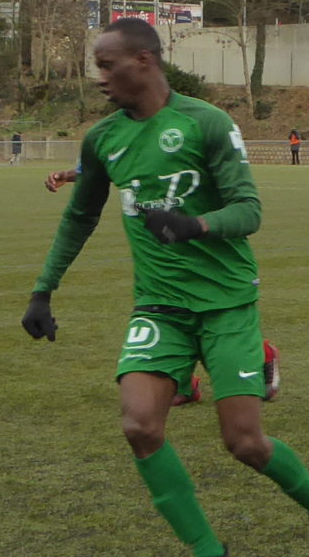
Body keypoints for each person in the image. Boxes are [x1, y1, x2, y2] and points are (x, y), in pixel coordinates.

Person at [24, 18, 309, 557]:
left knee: (245, 442)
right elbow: (79, 217)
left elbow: (249, 210)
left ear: (145, 61)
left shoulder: (204, 123)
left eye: (108, 64)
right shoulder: (103, 140)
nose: (98, 77)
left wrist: (195, 225)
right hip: (158, 306)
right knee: (140, 426)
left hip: (227, 301)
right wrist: (43, 292)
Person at [42, 165, 282, 407]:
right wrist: (69, 175)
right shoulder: (125, 135)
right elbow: (107, 161)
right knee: (166, 311)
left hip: (200, 237)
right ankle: (183, 383)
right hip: (155, 241)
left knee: (210, 312)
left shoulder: (196, 133)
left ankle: (260, 354)